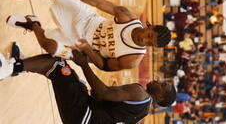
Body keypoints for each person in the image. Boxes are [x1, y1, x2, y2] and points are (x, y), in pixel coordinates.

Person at [2, 0, 171, 72]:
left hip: (83, 47)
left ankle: (33, 24)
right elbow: (96, 2)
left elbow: (104, 66)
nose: (145, 41)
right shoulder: (128, 18)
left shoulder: (132, 59)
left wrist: (88, 50)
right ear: (149, 26)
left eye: (150, 43)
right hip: (86, 19)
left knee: (50, 46)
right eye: (149, 36)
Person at [0, 46, 177, 124]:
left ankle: (10, 68)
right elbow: (103, 100)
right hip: (83, 116)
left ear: (160, 97)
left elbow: (103, 92)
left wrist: (84, 63)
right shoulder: (142, 113)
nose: (159, 81)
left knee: (57, 65)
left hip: (83, 114)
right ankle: (22, 64)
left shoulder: (140, 93)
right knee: (74, 80)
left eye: (163, 86)